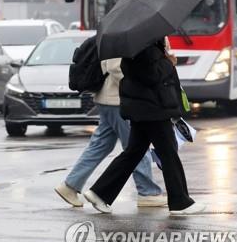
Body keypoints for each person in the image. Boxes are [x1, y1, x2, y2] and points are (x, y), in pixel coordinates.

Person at [83, 38, 205, 215]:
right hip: (152, 108)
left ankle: (100, 193)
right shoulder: (145, 47)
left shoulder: (136, 46)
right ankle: (180, 202)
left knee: (133, 152)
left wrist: (162, 57)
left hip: (143, 107)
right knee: (168, 153)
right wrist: (168, 63)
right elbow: (151, 75)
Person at [55, 52, 166, 208]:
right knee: (136, 148)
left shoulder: (118, 34)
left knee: (100, 146)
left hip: (110, 99)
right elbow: (114, 67)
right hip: (117, 100)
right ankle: (147, 192)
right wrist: (141, 85)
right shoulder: (120, 36)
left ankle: (70, 186)